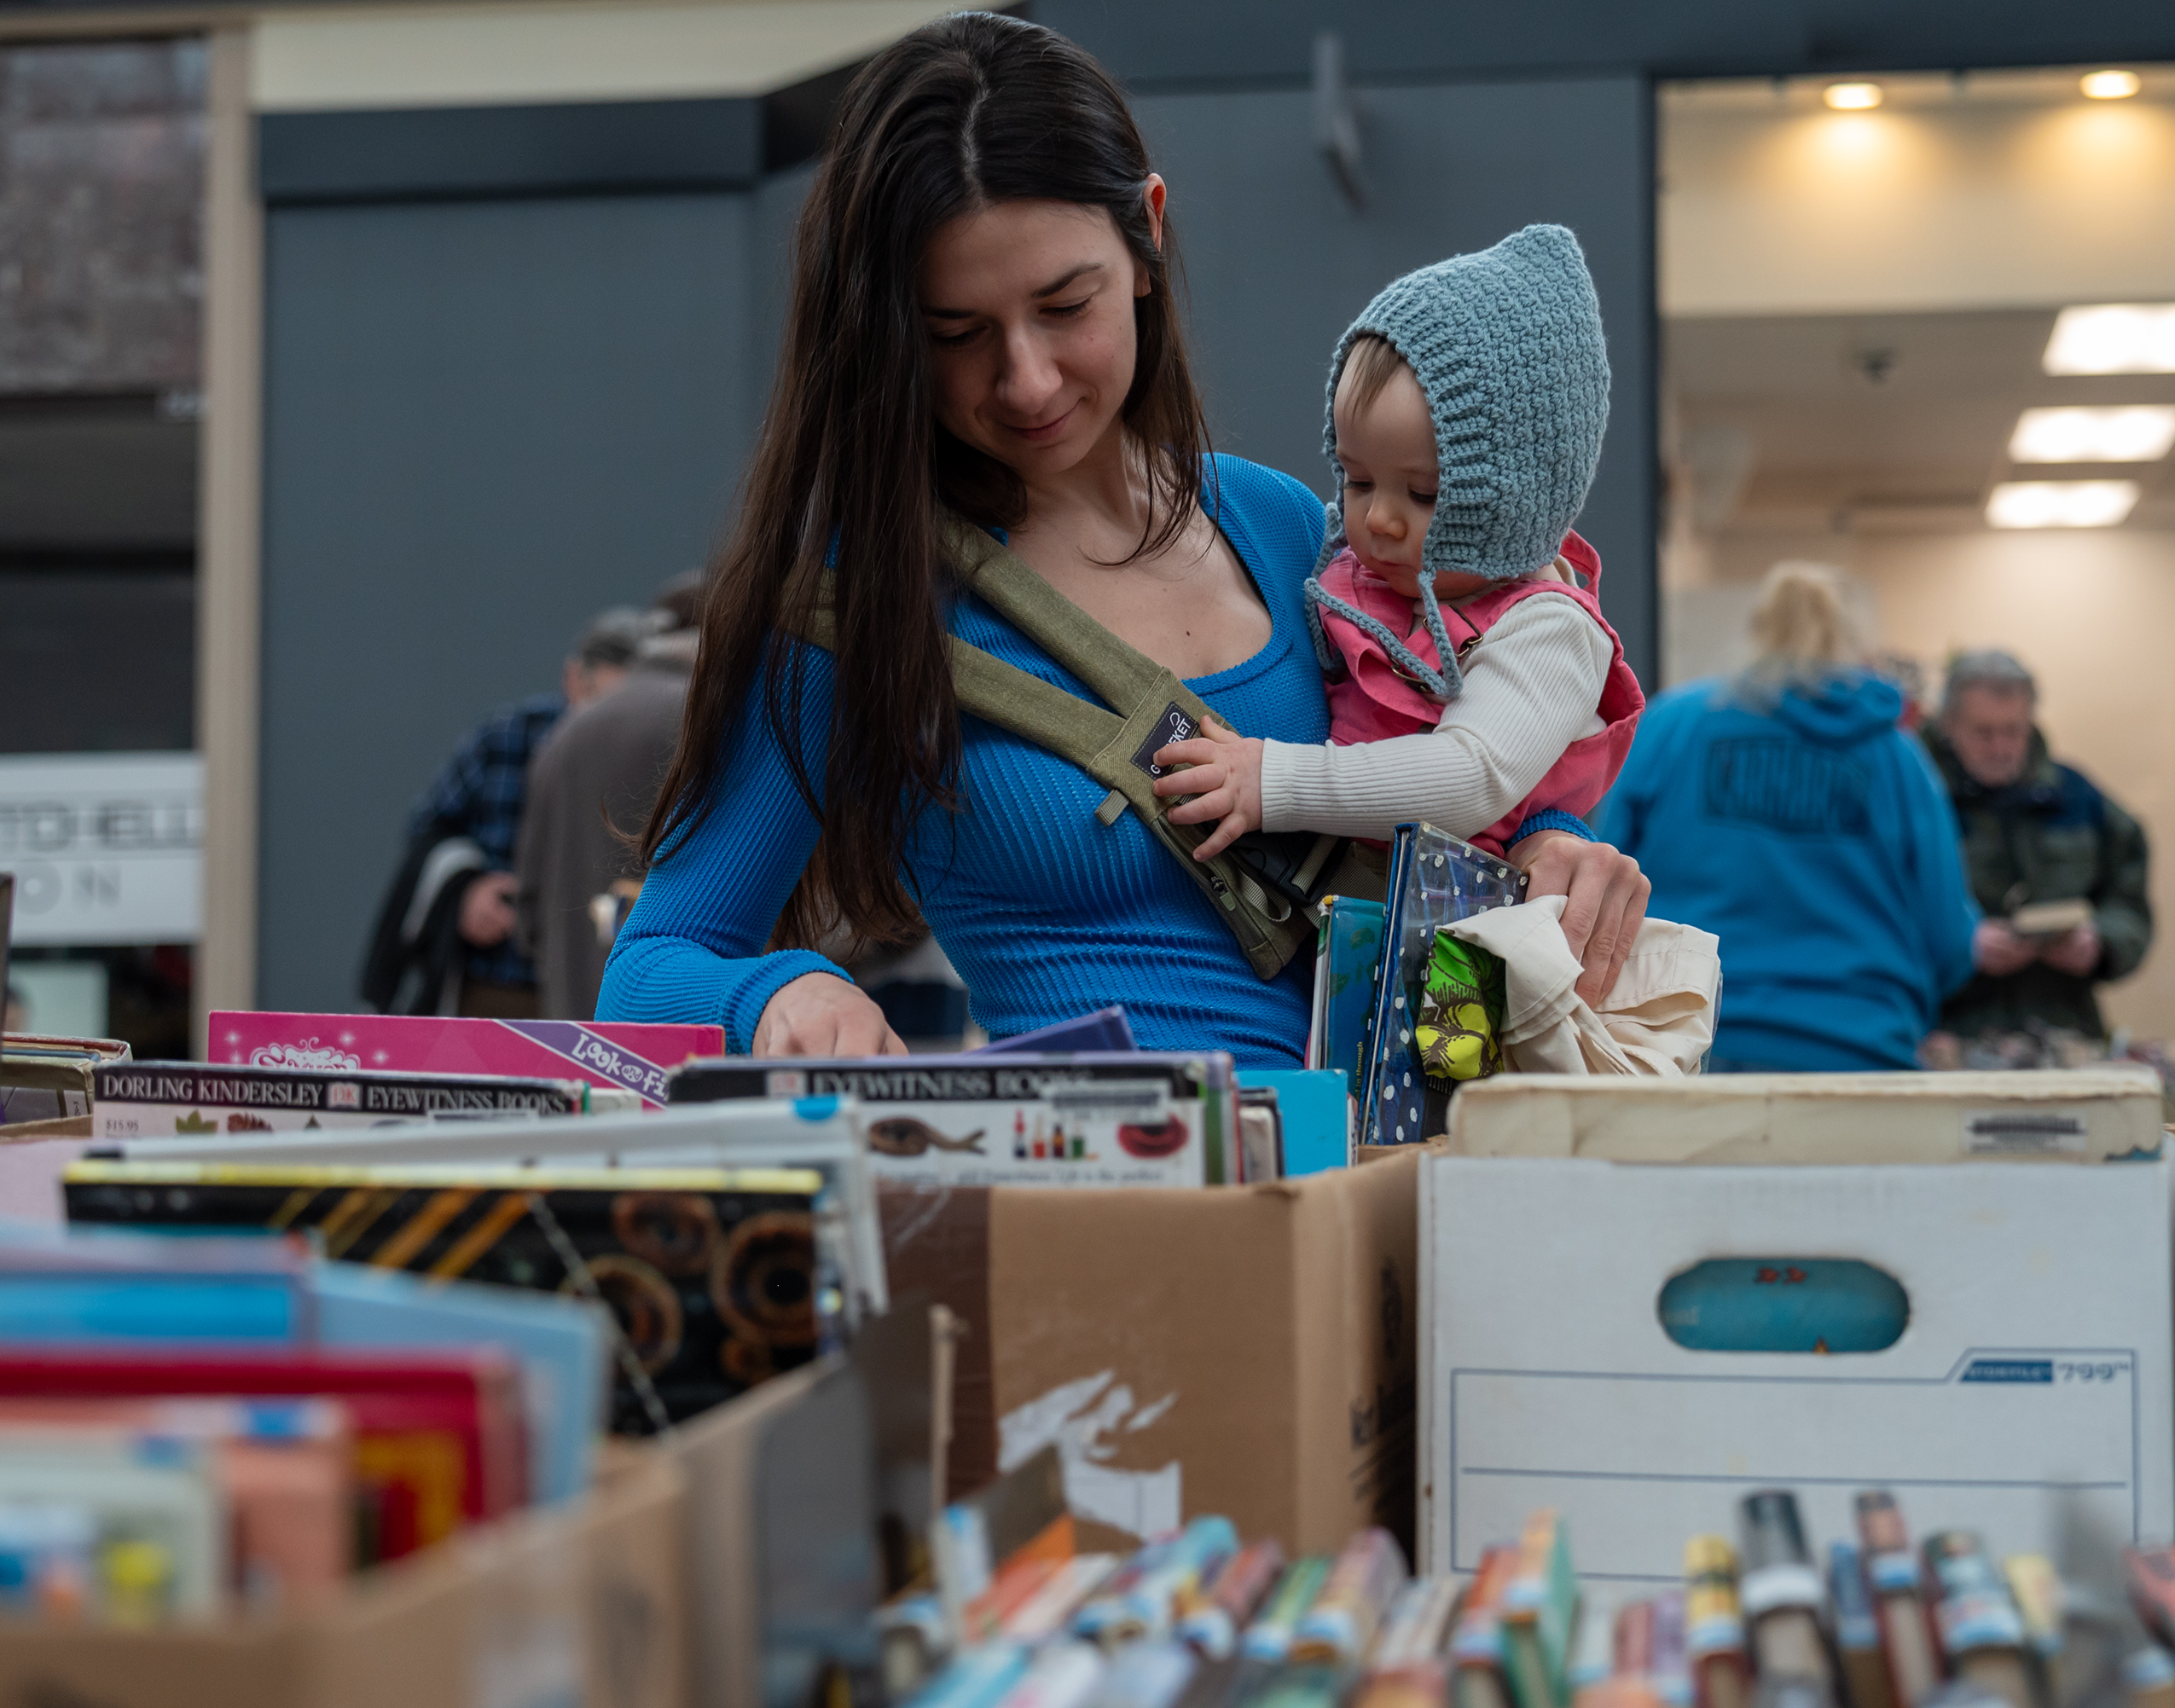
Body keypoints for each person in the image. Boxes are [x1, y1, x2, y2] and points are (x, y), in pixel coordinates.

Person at [595, 13, 1649, 1064]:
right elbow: (650, 967)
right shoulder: (861, 598)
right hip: (1107, 1201)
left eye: (1065, 304)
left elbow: (1428, 766)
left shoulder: (1285, 526)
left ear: (1146, 234)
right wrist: (782, 993)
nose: (1027, 381)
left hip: (1376, 1181)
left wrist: (1557, 850)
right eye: (954, 334)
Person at [1142, 226, 1644, 875]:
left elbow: (1469, 775)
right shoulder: (1347, 572)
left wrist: (1273, 780)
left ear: (1519, 497)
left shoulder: (1550, 630)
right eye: (1356, 479)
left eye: (1425, 493)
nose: (1378, 518)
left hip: (1459, 945)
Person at [1590, 563, 1978, 1072]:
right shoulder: (1896, 758)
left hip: (1680, 1041)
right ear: (1849, 641)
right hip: (1856, 1046)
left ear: (1756, 630)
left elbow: (1604, 872)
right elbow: (1950, 936)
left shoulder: (1673, 725)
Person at [357, 606, 647, 1016]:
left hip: (612, 986)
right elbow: (430, 831)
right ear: (572, 680)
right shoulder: (506, 738)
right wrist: (465, 892)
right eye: (599, 705)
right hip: (502, 980)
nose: (607, 726)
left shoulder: (662, 754)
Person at [1923, 648, 2152, 1044]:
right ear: (1948, 725)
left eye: (2014, 731)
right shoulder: (1918, 803)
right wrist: (1961, 946)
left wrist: (2101, 942)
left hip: (2065, 1032)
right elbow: (1875, 914)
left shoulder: (2078, 797)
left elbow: (2128, 901)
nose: (2000, 748)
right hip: (1948, 1036)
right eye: (1983, 732)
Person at [515, 575, 704, 1021]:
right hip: (696, 1042)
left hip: (579, 1042)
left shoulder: (565, 735)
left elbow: (529, 915)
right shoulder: (727, 723)